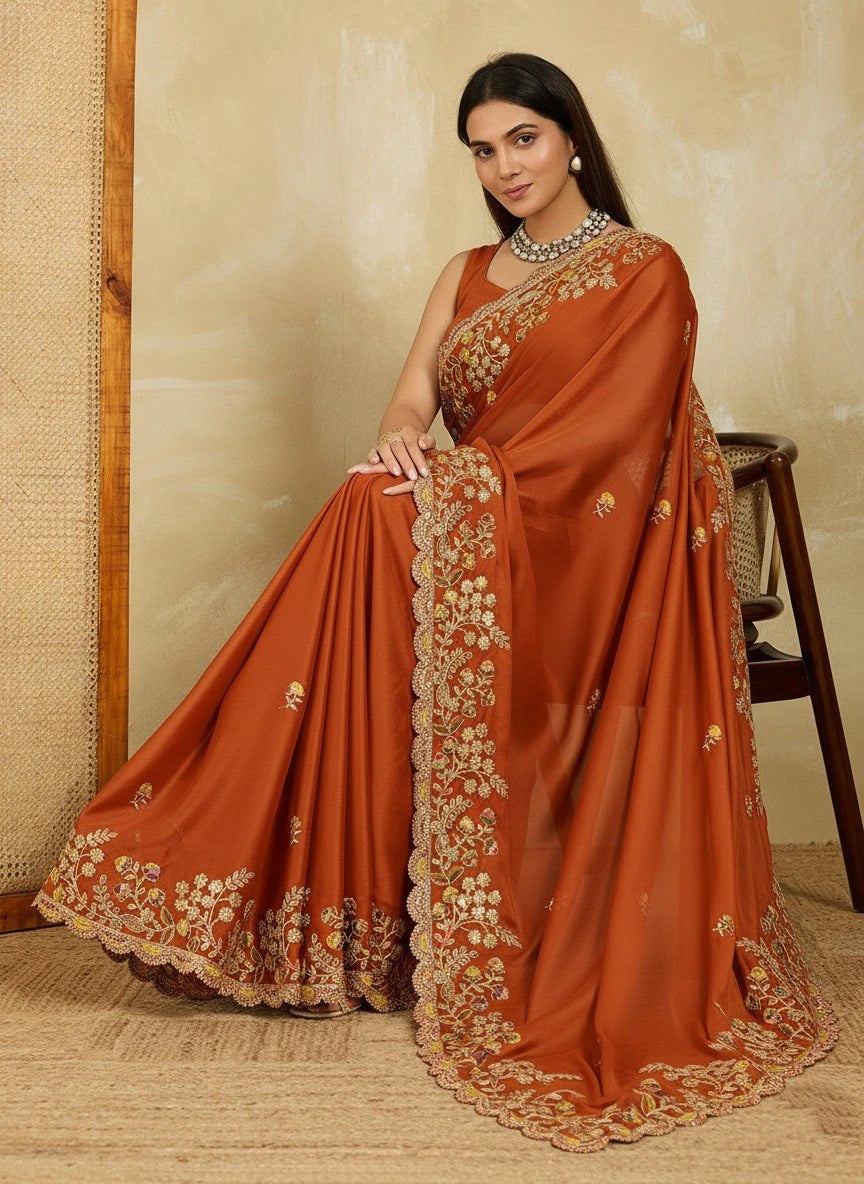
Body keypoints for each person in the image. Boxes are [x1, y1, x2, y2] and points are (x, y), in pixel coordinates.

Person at [32, 51, 839, 1154]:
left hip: (581, 559)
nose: (503, 165)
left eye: (522, 139)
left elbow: (612, 446)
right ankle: (308, 897)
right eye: (481, 147)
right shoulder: (466, 271)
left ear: (571, 140)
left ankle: (256, 862)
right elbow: (415, 390)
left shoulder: (644, 269)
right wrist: (404, 438)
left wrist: (461, 484)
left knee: (372, 519)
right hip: (481, 544)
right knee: (371, 499)